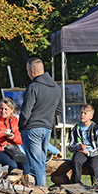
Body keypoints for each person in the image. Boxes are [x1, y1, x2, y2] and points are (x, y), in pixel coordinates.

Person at [19, 57, 62, 187]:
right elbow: (59, 110)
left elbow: (26, 112)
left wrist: (21, 126)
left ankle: (41, 191)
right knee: (41, 162)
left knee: (36, 164)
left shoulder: (33, 87)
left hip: (32, 128)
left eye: (27, 70)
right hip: (47, 128)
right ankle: (41, 189)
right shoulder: (56, 87)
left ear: (32, 71)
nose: (27, 73)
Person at [66, 104, 98, 187]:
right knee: (76, 161)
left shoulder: (96, 128)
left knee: (94, 167)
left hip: (94, 153)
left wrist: (88, 153)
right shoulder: (76, 128)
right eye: (81, 112)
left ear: (91, 117)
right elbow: (70, 147)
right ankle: (76, 185)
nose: (82, 115)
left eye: (85, 113)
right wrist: (78, 147)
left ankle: (96, 187)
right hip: (81, 152)